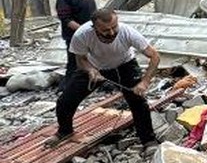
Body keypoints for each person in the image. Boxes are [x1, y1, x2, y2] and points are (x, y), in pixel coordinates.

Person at [45, 9, 161, 155]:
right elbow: (80, 59)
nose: (112, 33)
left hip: (125, 65)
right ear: (94, 28)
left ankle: (148, 140)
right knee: (65, 101)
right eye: (106, 30)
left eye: (114, 27)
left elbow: (155, 56)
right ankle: (64, 131)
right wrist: (91, 70)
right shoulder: (82, 35)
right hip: (95, 66)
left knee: (138, 102)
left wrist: (144, 82)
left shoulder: (128, 32)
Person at [55, 0, 97, 91]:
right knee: (74, 62)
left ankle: (91, 82)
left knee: (93, 59)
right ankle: (66, 88)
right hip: (74, 36)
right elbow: (65, 18)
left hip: (91, 33)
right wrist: (81, 30)